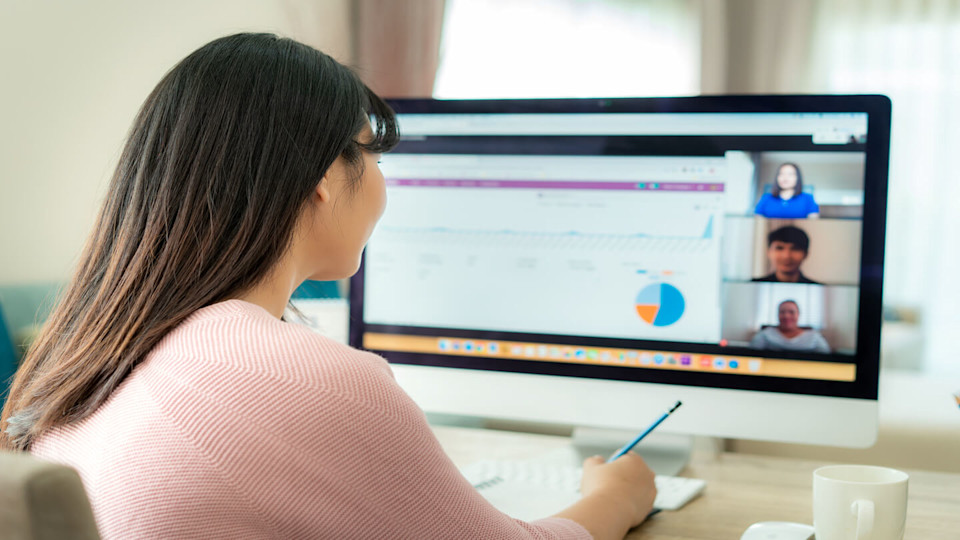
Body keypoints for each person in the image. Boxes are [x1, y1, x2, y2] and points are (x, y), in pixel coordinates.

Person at [0, 34, 657, 540]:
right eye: (371, 153)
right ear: (322, 173)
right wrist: (617, 496)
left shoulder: (82, 357)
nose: (380, 182)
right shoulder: (302, 377)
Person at [749, 300, 831, 353]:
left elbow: (827, 359)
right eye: (782, 312)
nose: (786, 316)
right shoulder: (765, 335)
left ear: (798, 314)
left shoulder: (814, 337)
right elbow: (751, 355)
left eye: (791, 312)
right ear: (778, 315)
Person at [752, 225, 822, 284]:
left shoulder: (818, 287)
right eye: (779, 248)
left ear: (805, 254)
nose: (786, 256)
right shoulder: (754, 284)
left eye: (795, 249)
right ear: (768, 252)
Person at [754, 162, 820, 218]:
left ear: (797, 178)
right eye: (781, 174)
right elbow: (758, 221)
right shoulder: (766, 198)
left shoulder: (808, 198)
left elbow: (813, 222)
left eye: (790, 174)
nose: (785, 178)